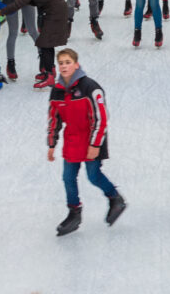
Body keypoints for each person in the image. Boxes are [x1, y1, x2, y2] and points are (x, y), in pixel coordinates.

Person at [48, 47, 126, 236]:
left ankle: (115, 199)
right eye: (61, 63)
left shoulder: (90, 87)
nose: (64, 66)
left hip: (92, 138)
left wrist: (95, 145)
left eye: (68, 62)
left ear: (76, 65)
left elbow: (101, 118)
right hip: (72, 140)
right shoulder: (57, 92)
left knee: (93, 176)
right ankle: (74, 212)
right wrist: (51, 144)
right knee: (68, 178)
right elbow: (54, 119)